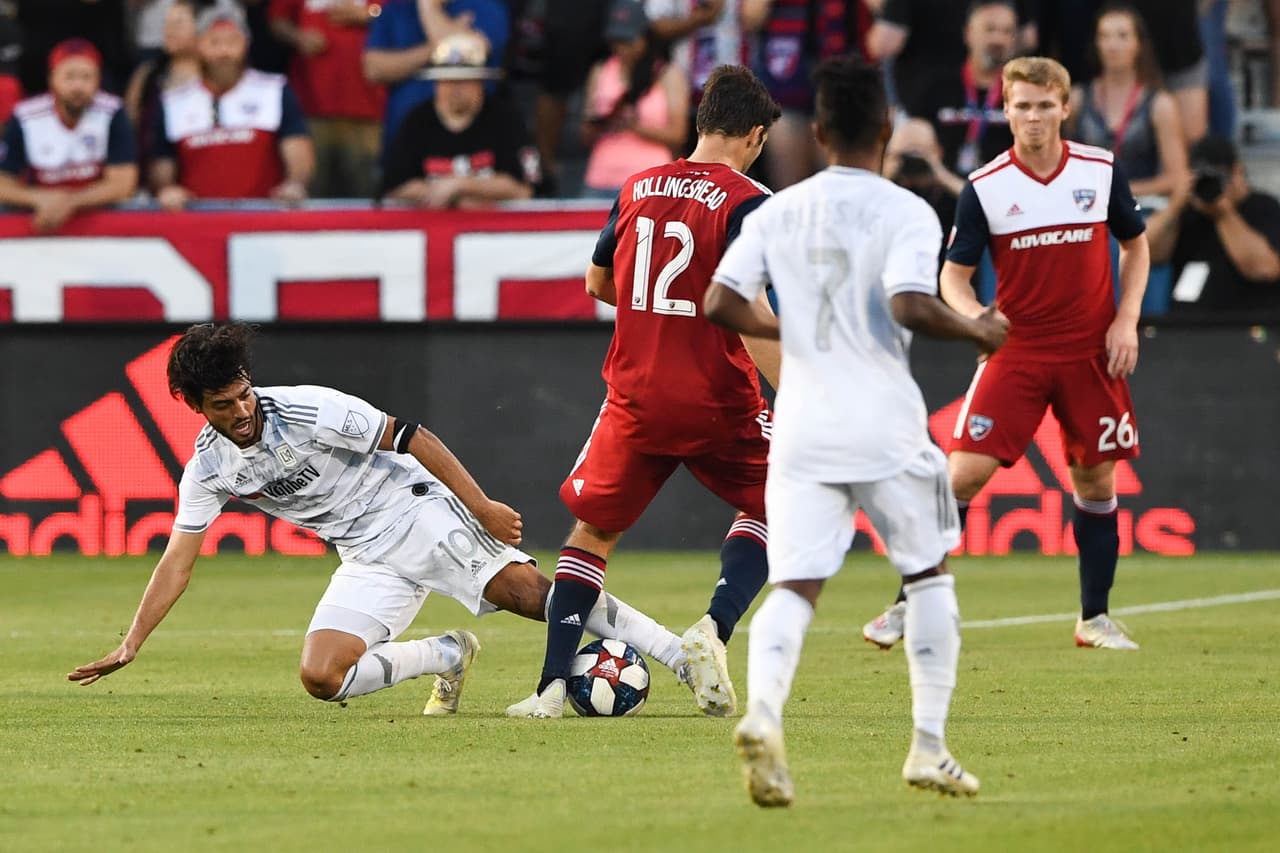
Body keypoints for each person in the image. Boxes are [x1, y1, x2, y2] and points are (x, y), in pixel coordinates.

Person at [69, 322, 696, 713]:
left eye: (242, 395)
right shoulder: (209, 469)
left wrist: (477, 503)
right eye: (222, 406)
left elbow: (411, 436)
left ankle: (681, 654)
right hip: (365, 554)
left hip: (413, 509)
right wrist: (132, 642)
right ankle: (448, 654)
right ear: (195, 407)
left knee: (528, 596)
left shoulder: (308, 410)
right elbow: (178, 559)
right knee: (322, 677)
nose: (240, 411)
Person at [703, 53, 1007, 808]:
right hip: (883, 423)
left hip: (803, 422)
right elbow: (909, 304)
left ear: (823, 131)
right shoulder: (906, 210)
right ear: (882, 128)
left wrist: (790, 329)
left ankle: (765, 713)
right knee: (930, 571)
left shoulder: (778, 208)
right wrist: (977, 327)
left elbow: (717, 301)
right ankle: (929, 746)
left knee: (797, 581)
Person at [506, 64, 783, 719]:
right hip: (718, 399)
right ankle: (713, 628)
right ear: (754, 135)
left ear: (699, 123)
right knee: (786, 506)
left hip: (636, 396)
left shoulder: (636, 186)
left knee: (591, 535)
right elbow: (749, 310)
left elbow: (597, 283)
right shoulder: (751, 202)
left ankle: (548, 689)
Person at [861, 56, 1151, 652]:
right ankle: (906, 605)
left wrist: (1126, 318)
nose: (1034, 117)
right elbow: (954, 278)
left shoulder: (1098, 171)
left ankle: (1093, 618)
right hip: (1016, 350)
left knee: (1096, 482)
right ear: (1007, 110)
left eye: (1045, 105)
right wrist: (974, 319)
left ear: (1065, 108)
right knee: (962, 475)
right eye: (1022, 105)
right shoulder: (987, 186)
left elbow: (1136, 245)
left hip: (1089, 352)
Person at [149, 5, 315, 209]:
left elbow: (297, 147)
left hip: (263, 214)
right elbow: (163, 162)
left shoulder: (274, 90)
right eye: (214, 42)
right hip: (197, 218)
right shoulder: (174, 101)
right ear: (199, 45)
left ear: (245, 43)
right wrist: (166, 188)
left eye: (232, 42)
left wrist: (295, 183)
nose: (223, 51)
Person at [380, 32, 540, 206]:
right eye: (448, 80)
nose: (455, 89)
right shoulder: (417, 121)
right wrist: (448, 196)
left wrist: (463, 185)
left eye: (464, 80)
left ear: (480, 82)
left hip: (495, 227)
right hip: (434, 227)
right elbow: (394, 186)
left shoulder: (506, 119)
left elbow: (526, 188)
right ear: (437, 84)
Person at [0, 39, 137, 233]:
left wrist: (69, 203)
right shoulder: (26, 116)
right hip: (42, 225)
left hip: (99, 225)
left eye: (87, 77)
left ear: (98, 80)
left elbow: (123, 183)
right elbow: (3, 182)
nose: (78, 86)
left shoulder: (112, 112)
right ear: (52, 79)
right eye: (69, 77)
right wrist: (38, 199)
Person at [1145, 135, 1280, 316]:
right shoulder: (1187, 212)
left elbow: (1265, 268)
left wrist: (1224, 213)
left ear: (1237, 172)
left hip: (1245, 326)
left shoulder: (1263, 207)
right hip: (1185, 327)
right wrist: (1176, 204)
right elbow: (1145, 253)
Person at [362, 0, 509, 165]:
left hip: (473, 144)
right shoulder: (394, 10)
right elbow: (373, 70)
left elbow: (461, 56)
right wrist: (438, 46)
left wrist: (429, 8)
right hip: (404, 140)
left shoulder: (485, 8)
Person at [898, 0, 1019, 197]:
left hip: (1002, 206)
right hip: (939, 206)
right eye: (990, 30)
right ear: (968, 33)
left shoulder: (1023, 96)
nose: (998, 39)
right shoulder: (936, 87)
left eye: (1007, 32)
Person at [1069, 3, 1188, 199]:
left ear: (1139, 44)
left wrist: (1118, 193)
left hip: (1141, 207)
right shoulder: (1078, 99)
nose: (1112, 45)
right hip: (1086, 206)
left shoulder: (1160, 104)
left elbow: (1176, 177)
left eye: (1122, 36)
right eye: (1104, 36)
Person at [269, 0, 386, 198]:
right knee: (312, 193)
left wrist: (368, 14)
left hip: (368, 105)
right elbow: (276, 21)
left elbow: (402, 12)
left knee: (369, 195)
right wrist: (298, 37)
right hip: (309, 106)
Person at [580, 0, 689, 198]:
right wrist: (602, 123)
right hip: (601, 177)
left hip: (651, 181)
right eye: (615, 41)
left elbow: (678, 135)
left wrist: (635, 126)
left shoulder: (667, 74)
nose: (621, 48)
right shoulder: (601, 70)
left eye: (627, 41)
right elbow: (585, 134)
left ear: (645, 37)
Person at [124, 0, 204, 176]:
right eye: (166, 24)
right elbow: (130, 125)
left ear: (200, 29)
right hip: (150, 172)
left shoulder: (210, 76)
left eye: (178, 24)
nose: (169, 30)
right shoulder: (147, 74)